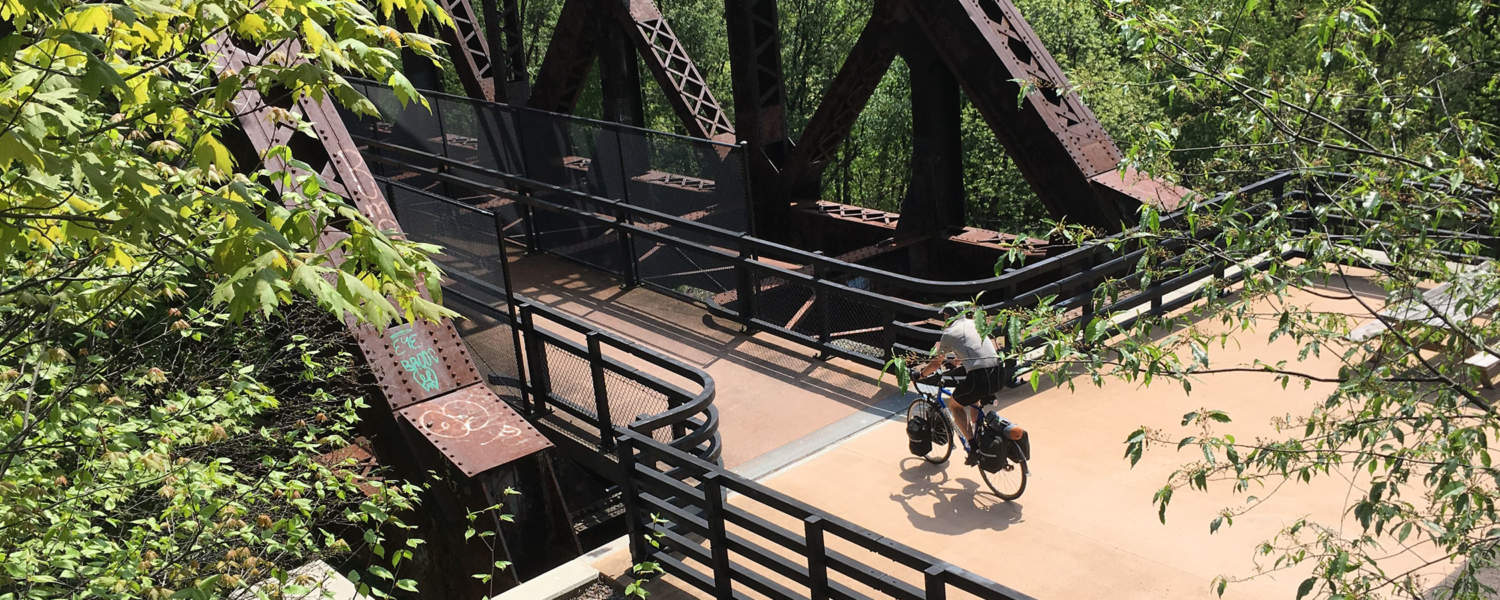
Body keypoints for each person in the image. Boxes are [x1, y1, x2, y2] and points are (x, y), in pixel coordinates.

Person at [914, 302, 1003, 465]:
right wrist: (958, 360)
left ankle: (973, 446)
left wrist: (921, 375)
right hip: (998, 372)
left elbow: (935, 363)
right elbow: (974, 346)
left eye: (945, 317)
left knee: (955, 405)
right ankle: (980, 434)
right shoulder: (975, 323)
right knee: (973, 399)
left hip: (979, 377)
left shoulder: (949, 333)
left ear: (948, 317)